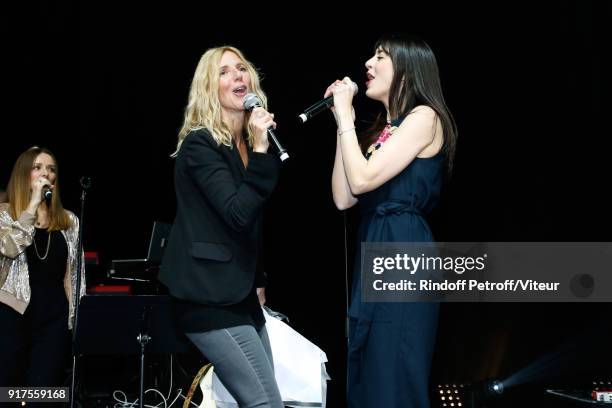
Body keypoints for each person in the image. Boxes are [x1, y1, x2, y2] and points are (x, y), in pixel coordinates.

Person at [328, 34, 458, 407]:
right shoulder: (381, 131)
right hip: (375, 245)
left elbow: (364, 178)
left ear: (407, 68)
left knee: (394, 370)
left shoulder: (424, 117)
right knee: (369, 368)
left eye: (380, 56)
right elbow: (344, 196)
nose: (368, 64)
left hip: (403, 247)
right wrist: (343, 122)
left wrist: (349, 122)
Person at [159, 46, 283, 407]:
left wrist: (258, 280)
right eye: (225, 72)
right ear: (209, 88)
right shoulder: (201, 145)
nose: (238, 77)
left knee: (258, 400)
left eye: (242, 69)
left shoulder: (243, 144)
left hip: (240, 297)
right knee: (265, 403)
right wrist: (261, 152)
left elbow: (250, 227)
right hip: (206, 297)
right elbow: (237, 214)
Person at [0, 146, 85, 387]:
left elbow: (76, 274)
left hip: (53, 318)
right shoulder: (4, 215)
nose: (45, 174)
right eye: (37, 168)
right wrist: (32, 206)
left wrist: (76, 318)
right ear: (22, 175)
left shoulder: (68, 221)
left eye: (51, 169)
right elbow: (10, 247)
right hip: (11, 314)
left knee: (44, 390)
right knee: (8, 390)